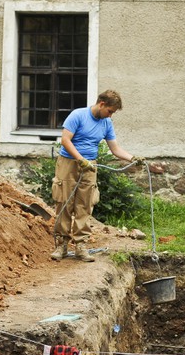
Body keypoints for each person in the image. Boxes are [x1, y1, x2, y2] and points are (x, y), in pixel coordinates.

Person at [50, 90, 145, 262]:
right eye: (110, 111)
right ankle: (61, 245)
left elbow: (115, 149)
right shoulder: (78, 115)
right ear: (102, 104)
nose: (110, 115)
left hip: (90, 166)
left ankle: (80, 246)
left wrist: (133, 158)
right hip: (69, 163)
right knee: (64, 201)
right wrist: (80, 160)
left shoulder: (106, 122)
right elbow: (65, 140)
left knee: (85, 204)